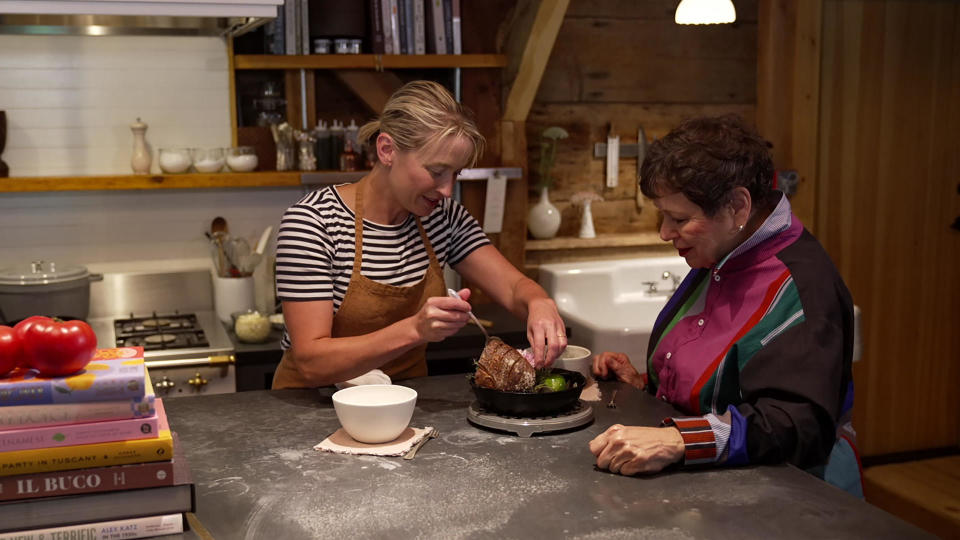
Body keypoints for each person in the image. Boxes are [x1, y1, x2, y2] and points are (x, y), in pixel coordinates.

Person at [588, 115, 860, 496]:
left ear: (737, 206)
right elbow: (721, 382)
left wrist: (678, 441)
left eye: (679, 218)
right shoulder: (721, 254)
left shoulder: (803, 287)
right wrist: (644, 385)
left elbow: (799, 424)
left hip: (795, 499)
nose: (664, 232)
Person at [272, 80, 567, 389]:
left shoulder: (444, 218)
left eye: (456, 174)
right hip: (313, 409)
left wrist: (539, 302)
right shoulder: (314, 222)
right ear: (387, 150)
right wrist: (415, 329)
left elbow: (513, 287)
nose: (446, 189)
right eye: (436, 171)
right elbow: (311, 362)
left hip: (404, 407)